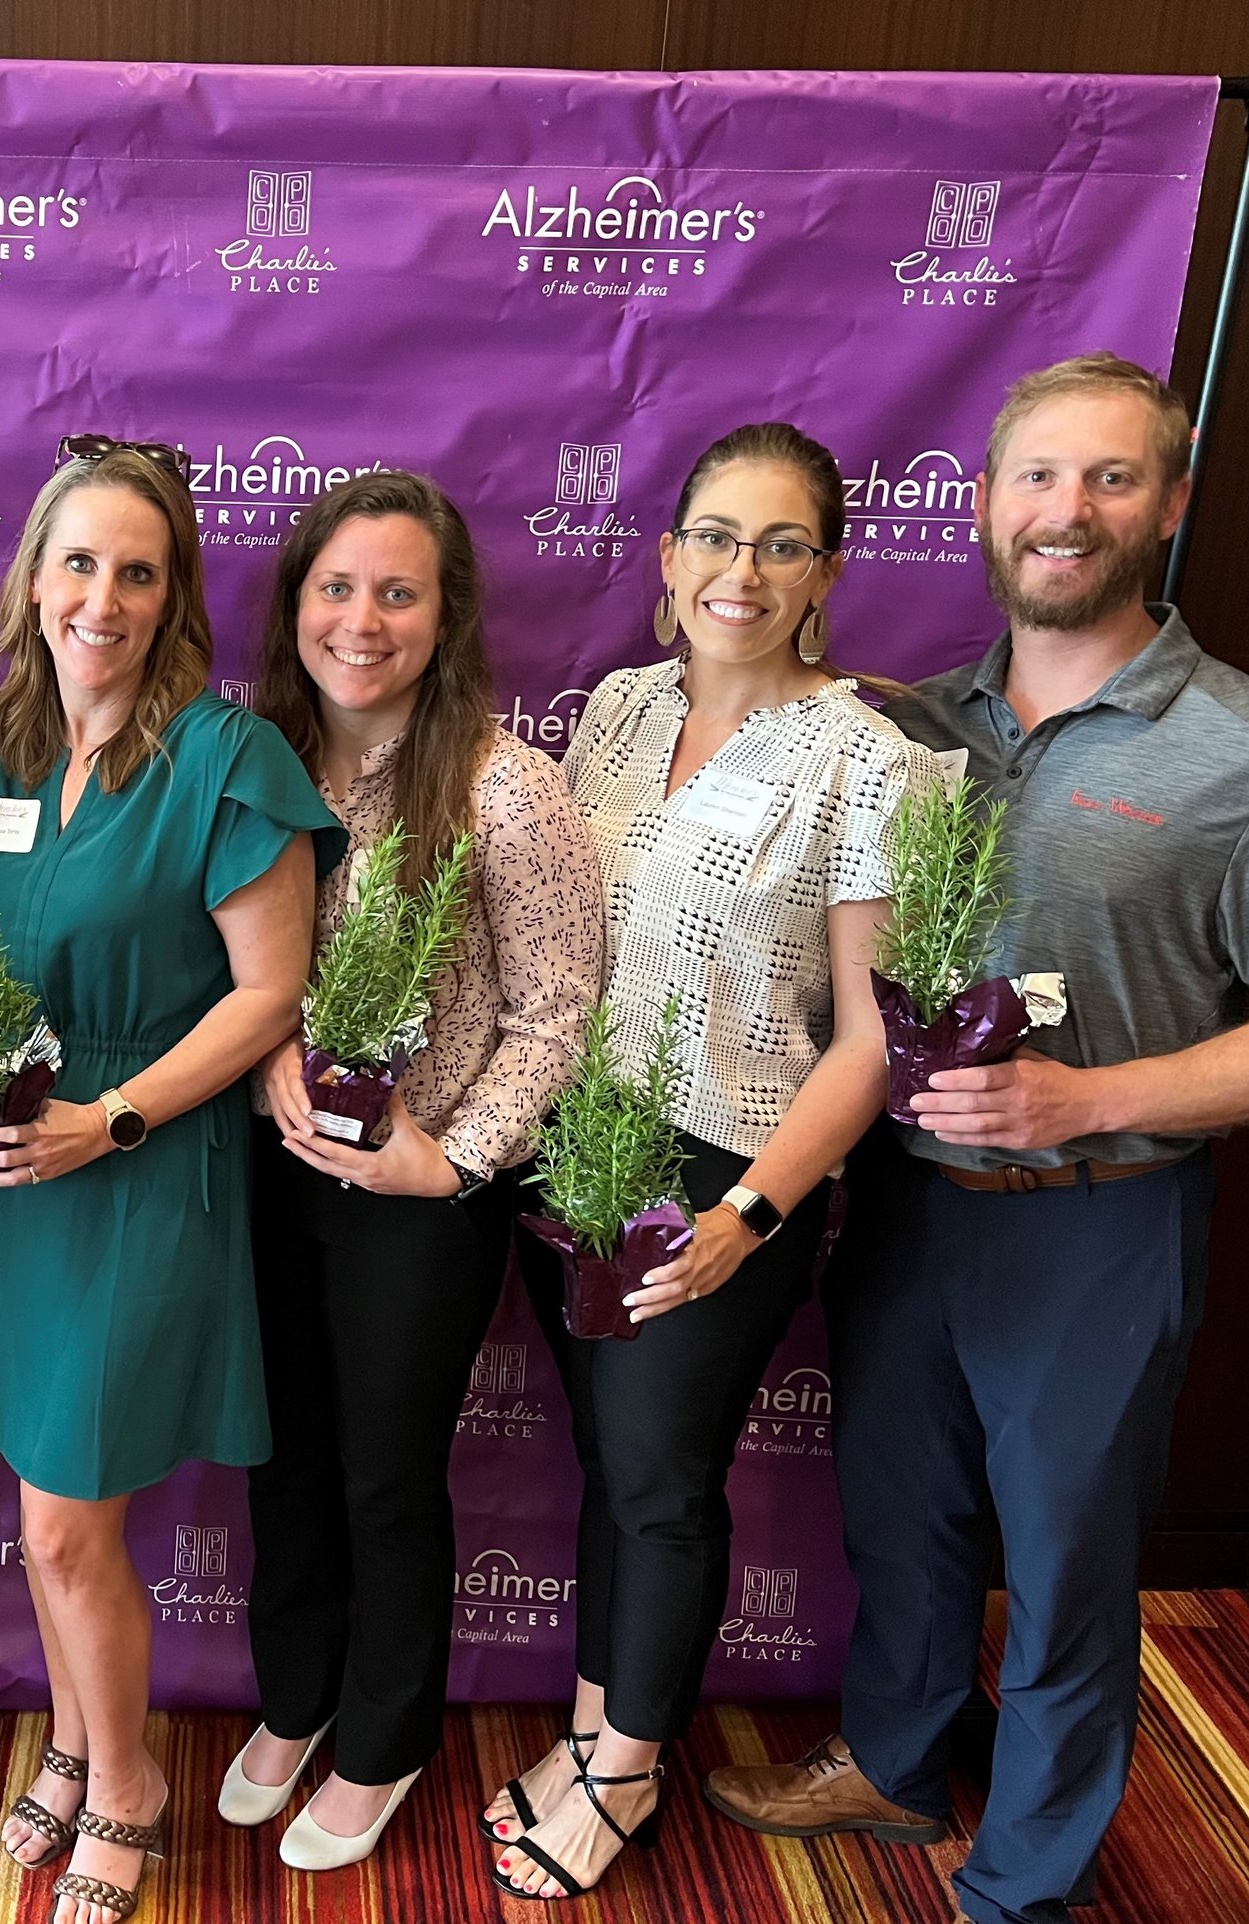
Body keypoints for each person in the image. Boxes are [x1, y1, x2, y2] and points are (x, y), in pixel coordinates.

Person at [702, 355, 1249, 1924]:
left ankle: (1026, 1883)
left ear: (1171, 504)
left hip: (1099, 1216)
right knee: (902, 1509)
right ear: (987, 503)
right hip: (911, 1210)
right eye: (1037, 478)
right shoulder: (913, 725)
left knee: (1068, 1565)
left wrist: (1096, 1096)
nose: (1067, 512)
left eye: (1112, 479)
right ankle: (893, 1760)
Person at [484, 424, 942, 1901]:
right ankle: (589, 1725)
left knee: (666, 1482)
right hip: (580, 1151)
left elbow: (876, 1039)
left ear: (827, 570)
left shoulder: (874, 763)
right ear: (668, 556)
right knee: (611, 1468)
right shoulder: (614, 711)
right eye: (715, 538)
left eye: (780, 543)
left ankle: (630, 1770)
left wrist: (750, 1212)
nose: (740, 571)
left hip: (735, 1162)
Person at [0, 435, 340, 1924]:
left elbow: (267, 998)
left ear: (173, 592)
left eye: (135, 569)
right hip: (12, 1174)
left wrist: (106, 1119)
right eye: (76, 563)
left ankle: (127, 1784)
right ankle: (70, 1736)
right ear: (33, 579)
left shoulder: (229, 756)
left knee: (67, 1520)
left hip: (143, 1161)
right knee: (44, 1495)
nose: (99, 598)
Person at [227, 472, 601, 1869]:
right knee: (283, 1462)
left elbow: (556, 1009)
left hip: (416, 1201)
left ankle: (383, 1737)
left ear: (445, 620)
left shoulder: (508, 788)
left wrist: (452, 1162)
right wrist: (264, 1061)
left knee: (385, 1475)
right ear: (295, 605)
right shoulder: (253, 761)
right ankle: (295, 1697)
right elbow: (231, 961)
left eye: (397, 592)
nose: (362, 620)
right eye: (337, 587)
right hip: (270, 1178)